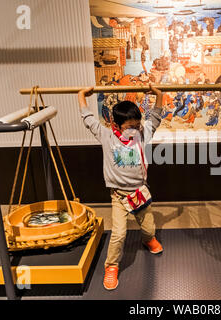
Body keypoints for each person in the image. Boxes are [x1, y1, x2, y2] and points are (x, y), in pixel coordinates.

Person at [77, 84, 164, 291]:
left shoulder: (143, 134)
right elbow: (88, 119)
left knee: (148, 227)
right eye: (128, 127)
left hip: (140, 192)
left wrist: (160, 95)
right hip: (119, 196)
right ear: (115, 125)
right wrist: (81, 95)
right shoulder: (106, 136)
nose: (134, 130)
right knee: (118, 234)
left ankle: (148, 239)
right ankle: (112, 266)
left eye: (136, 124)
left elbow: (156, 117)